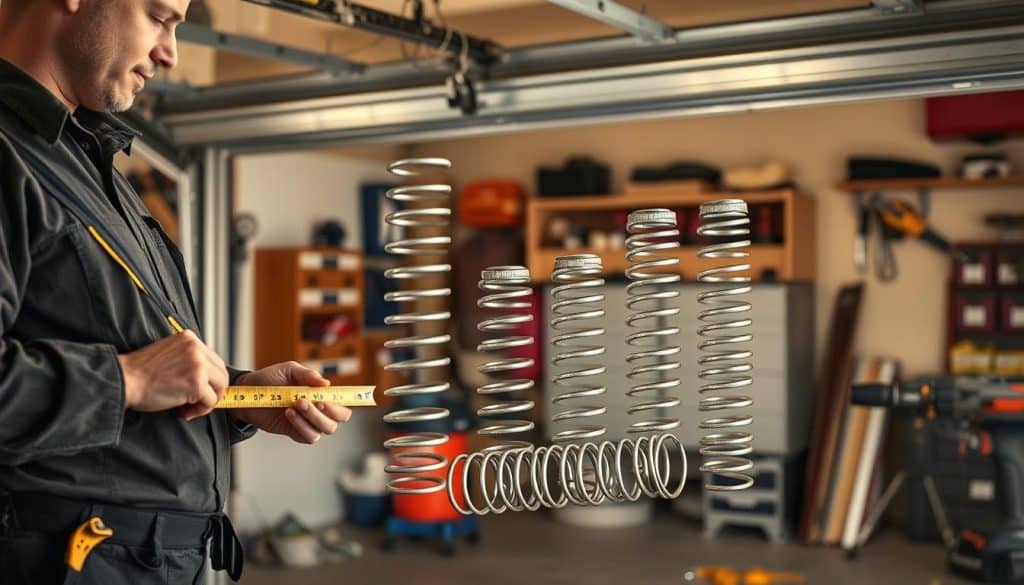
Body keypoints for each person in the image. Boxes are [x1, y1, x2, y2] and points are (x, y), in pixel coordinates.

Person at [0, 1, 354, 583]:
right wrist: (129, 380)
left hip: (140, 560)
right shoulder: (8, 152)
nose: (170, 53)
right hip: (68, 559)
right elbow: (133, 378)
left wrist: (241, 395)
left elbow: (133, 366)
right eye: (159, 17)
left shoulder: (88, 162)